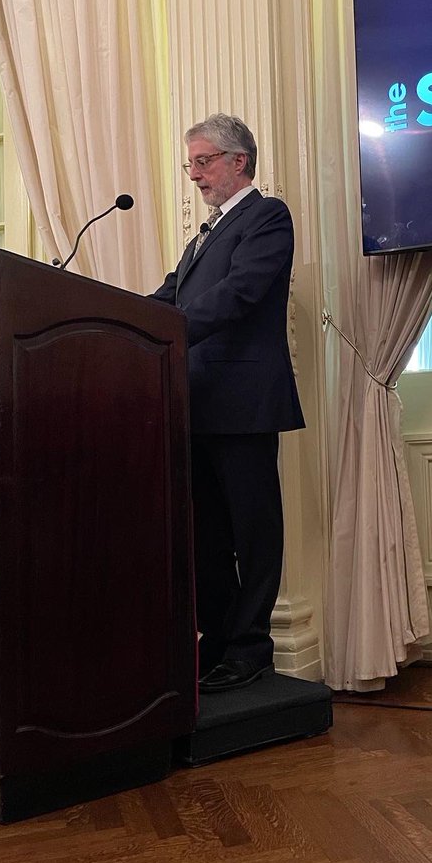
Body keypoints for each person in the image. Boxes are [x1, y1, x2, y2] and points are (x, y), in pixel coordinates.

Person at [151, 114, 304, 692]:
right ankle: (216, 639)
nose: (194, 175)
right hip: (196, 404)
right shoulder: (200, 239)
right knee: (206, 535)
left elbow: (239, 294)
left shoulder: (267, 217)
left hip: (244, 402)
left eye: (203, 161)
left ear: (239, 161)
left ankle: (251, 647)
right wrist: (115, 321)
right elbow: (164, 297)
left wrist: (169, 328)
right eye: (191, 163)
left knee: (252, 529)